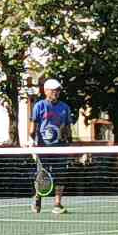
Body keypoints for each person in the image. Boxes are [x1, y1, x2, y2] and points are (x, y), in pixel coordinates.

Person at [31, 78, 72, 215]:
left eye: (58, 90)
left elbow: (67, 127)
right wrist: (32, 142)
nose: (56, 92)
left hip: (60, 147)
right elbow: (33, 127)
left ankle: (57, 204)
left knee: (61, 175)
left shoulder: (65, 107)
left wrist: (70, 143)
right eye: (53, 90)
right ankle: (38, 197)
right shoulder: (39, 106)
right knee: (42, 175)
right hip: (43, 147)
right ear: (46, 91)